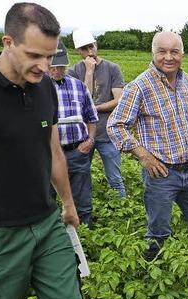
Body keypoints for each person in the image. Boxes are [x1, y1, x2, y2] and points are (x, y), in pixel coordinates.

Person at [0, 2, 89, 299]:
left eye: (49, 56)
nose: (44, 66)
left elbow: (52, 152)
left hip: (47, 222)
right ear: (8, 42)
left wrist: (67, 204)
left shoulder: (45, 85)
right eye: (34, 55)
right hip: (0, 232)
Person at [108, 31, 188, 260]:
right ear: (153, 53)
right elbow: (115, 125)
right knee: (159, 233)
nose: (169, 57)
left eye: (174, 52)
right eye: (162, 51)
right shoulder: (140, 86)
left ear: (182, 54)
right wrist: (143, 155)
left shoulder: (187, 82)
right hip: (161, 173)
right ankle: (156, 275)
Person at [69, 28, 127, 197]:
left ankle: (120, 207)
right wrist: (89, 71)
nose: (90, 52)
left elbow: (118, 100)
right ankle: (84, 210)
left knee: (115, 177)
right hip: (83, 135)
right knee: (81, 177)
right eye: (85, 49)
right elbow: (81, 102)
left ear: (96, 44)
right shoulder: (74, 72)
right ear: (78, 51)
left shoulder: (112, 68)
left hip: (107, 133)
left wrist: (94, 109)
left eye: (91, 46)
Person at [48, 41, 99, 227]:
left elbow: (91, 117)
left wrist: (90, 139)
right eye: (52, 67)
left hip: (76, 150)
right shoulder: (38, 87)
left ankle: (85, 229)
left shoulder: (78, 86)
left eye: (60, 67)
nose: (56, 71)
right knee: (47, 194)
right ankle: (53, 231)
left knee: (82, 192)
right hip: (49, 152)